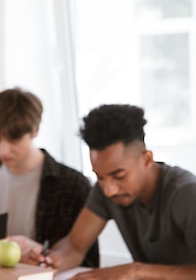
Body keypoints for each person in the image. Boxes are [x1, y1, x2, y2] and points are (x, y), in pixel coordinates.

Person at [24, 104, 196, 279]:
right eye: (100, 177)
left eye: (119, 175)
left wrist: (134, 271)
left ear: (147, 159)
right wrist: (54, 259)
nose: (109, 190)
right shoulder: (106, 189)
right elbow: (75, 245)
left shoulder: (187, 194)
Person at [0, 87, 99, 267]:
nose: (3, 150)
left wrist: (45, 258)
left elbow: (88, 261)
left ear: (35, 130)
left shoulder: (72, 185)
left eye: (14, 140)